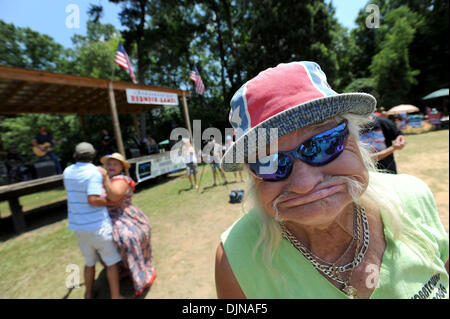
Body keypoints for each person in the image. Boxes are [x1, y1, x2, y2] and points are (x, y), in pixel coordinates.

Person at [215, 61, 449, 299]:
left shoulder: (414, 196)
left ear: (356, 139)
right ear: (253, 177)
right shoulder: (236, 260)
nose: (304, 183)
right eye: (269, 163)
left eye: (324, 144)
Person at [63, 142, 123, 299]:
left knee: (89, 262)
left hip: (78, 227)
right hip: (98, 226)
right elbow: (94, 199)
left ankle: (89, 294)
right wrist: (109, 202)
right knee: (111, 263)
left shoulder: (67, 171)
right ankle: (116, 296)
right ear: (93, 155)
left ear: (75, 155)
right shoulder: (95, 172)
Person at [98, 152, 156, 296]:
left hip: (123, 215)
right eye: (109, 164)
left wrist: (104, 178)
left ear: (121, 167)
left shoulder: (122, 179)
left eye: (114, 164)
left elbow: (114, 197)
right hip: (105, 216)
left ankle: (139, 273)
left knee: (127, 238)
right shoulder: (102, 180)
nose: (111, 166)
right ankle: (120, 268)